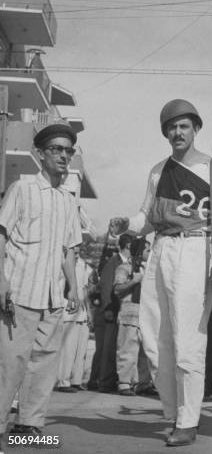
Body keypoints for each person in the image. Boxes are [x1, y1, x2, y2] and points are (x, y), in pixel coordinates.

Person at [109, 99, 212, 447]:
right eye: (172, 127)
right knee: (154, 337)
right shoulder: (158, 170)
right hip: (162, 248)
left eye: (184, 126)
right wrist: (128, 225)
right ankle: (173, 411)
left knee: (187, 339)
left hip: (197, 249)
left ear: (196, 129)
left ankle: (188, 420)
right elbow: (146, 217)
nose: (177, 132)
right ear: (165, 132)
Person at [0, 123, 82, 448]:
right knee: (11, 361)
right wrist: (1, 282)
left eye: (68, 150)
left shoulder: (68, 199)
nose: (63, 155)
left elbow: (69, 250)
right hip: (20, 291)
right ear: (40, 153)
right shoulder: (22, 189)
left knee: (45, 362)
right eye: (56, 149)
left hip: (52, 296)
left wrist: (74, 288)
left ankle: (29, 426)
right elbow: (2, 234)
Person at [95, 234, 133, 393]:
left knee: (117, 348)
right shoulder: (114, 261)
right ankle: (104, 382)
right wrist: (107, 308)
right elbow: (105, 284)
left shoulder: (128, 263)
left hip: (121, 310)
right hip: (112, 309)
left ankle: (108, 379)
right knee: (108, 348)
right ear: (129, 245)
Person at [114, 239, 150, 396]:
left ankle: (143, 382)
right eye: (147, 250)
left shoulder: (150, 269)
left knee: (146, 351)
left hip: (147, 313)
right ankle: (124, 383)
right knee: (127, 349)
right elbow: (117, 289)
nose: (150, 253)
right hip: (130, 312)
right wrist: (134, 281)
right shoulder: (124, 268)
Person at [57, 245, 93, 392]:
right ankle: (63, 381)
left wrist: (89, 312)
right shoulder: (61, 264)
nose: (77, 256)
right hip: (67, 309)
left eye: (78, 253)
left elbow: (85, 289)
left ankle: (76, 380)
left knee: (81, 349)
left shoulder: (84, 266)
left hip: (81, 311)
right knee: (68, 349)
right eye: (74, 253)